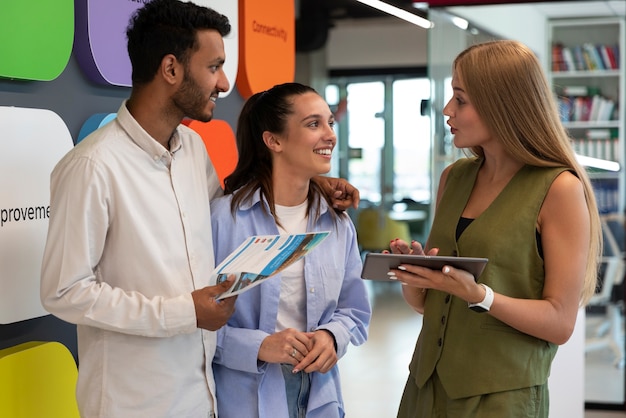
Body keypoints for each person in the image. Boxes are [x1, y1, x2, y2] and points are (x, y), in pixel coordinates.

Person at [39, 1, 358, 417]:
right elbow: (64, 293)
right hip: (134, 402)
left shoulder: (191, 148)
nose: (224, 82)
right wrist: (184, 313)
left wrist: (312, 181)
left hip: (203, 394)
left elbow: (230, 210)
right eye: (214, 67)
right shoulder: (92, 166)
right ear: (171, 69)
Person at [389, 40, 601, 418]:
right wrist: (415, 277)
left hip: (503, 397)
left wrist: (481, 295)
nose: (447, 110)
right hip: (425, 386)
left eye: (460, 99)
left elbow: (559, 323)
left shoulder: (559, 189)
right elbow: (426, 306)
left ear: (502, 104)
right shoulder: (453, 178)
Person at [210, 82, 371, 418]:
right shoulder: (223, 221)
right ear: (274, 140)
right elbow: (195, 322)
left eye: (331, 123)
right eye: (314, 124)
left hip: (319, 397)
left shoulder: (337, 224)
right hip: (243, 398)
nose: (330, 134)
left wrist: (331, 336)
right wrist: (259, 346)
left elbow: (354, 310)